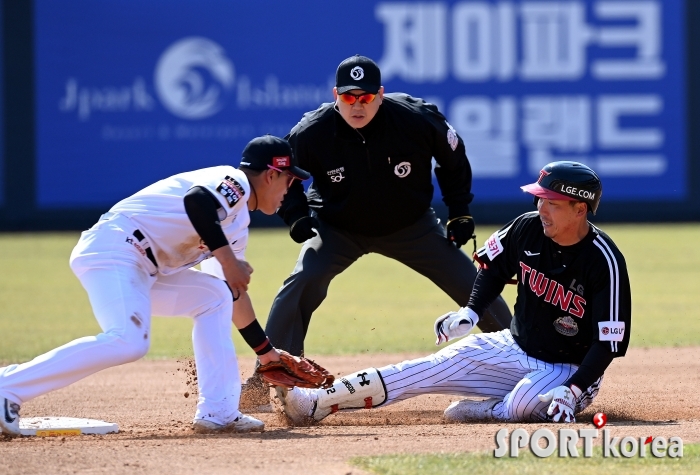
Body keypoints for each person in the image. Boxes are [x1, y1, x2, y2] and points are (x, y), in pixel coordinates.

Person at [241, 54, 512, 407]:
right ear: (335, 95)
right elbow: (286, 174)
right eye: (349, 97)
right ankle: (267, 382)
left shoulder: (414, 119)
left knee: (474, 284)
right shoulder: (312, 131)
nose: (358, 105)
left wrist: (459, 210)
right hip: (337, 228)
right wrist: (296, 216)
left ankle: (525, 361)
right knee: (303, 281)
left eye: (366, 97)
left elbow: (453, 158)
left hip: (411, 226)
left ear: (380, 95)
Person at [275, 161, 632, 424]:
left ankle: (486, 411)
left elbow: (609, 343)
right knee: (425, 369)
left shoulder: (605, 262)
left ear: (580, 208)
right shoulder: (527, 228)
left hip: (569, 368)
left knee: (525, 403)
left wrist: (573, 389)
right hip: (515, 346)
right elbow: (493, 268)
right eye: (540, 199)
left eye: (551, 202)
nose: (541, 209)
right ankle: (315, 403)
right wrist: (472, 312)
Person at [0, 135, 310, 437]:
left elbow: (231, 293)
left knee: (215, 296)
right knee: (130, 341)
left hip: (143, 266)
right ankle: (7, 387)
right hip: (116, 249)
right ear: (271, 175)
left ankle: (219, 411)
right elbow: (197, 201)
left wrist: (267, 353)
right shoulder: (234, 181)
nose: (292, 189)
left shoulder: (237, 223)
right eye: (290, 180)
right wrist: (229, 260)